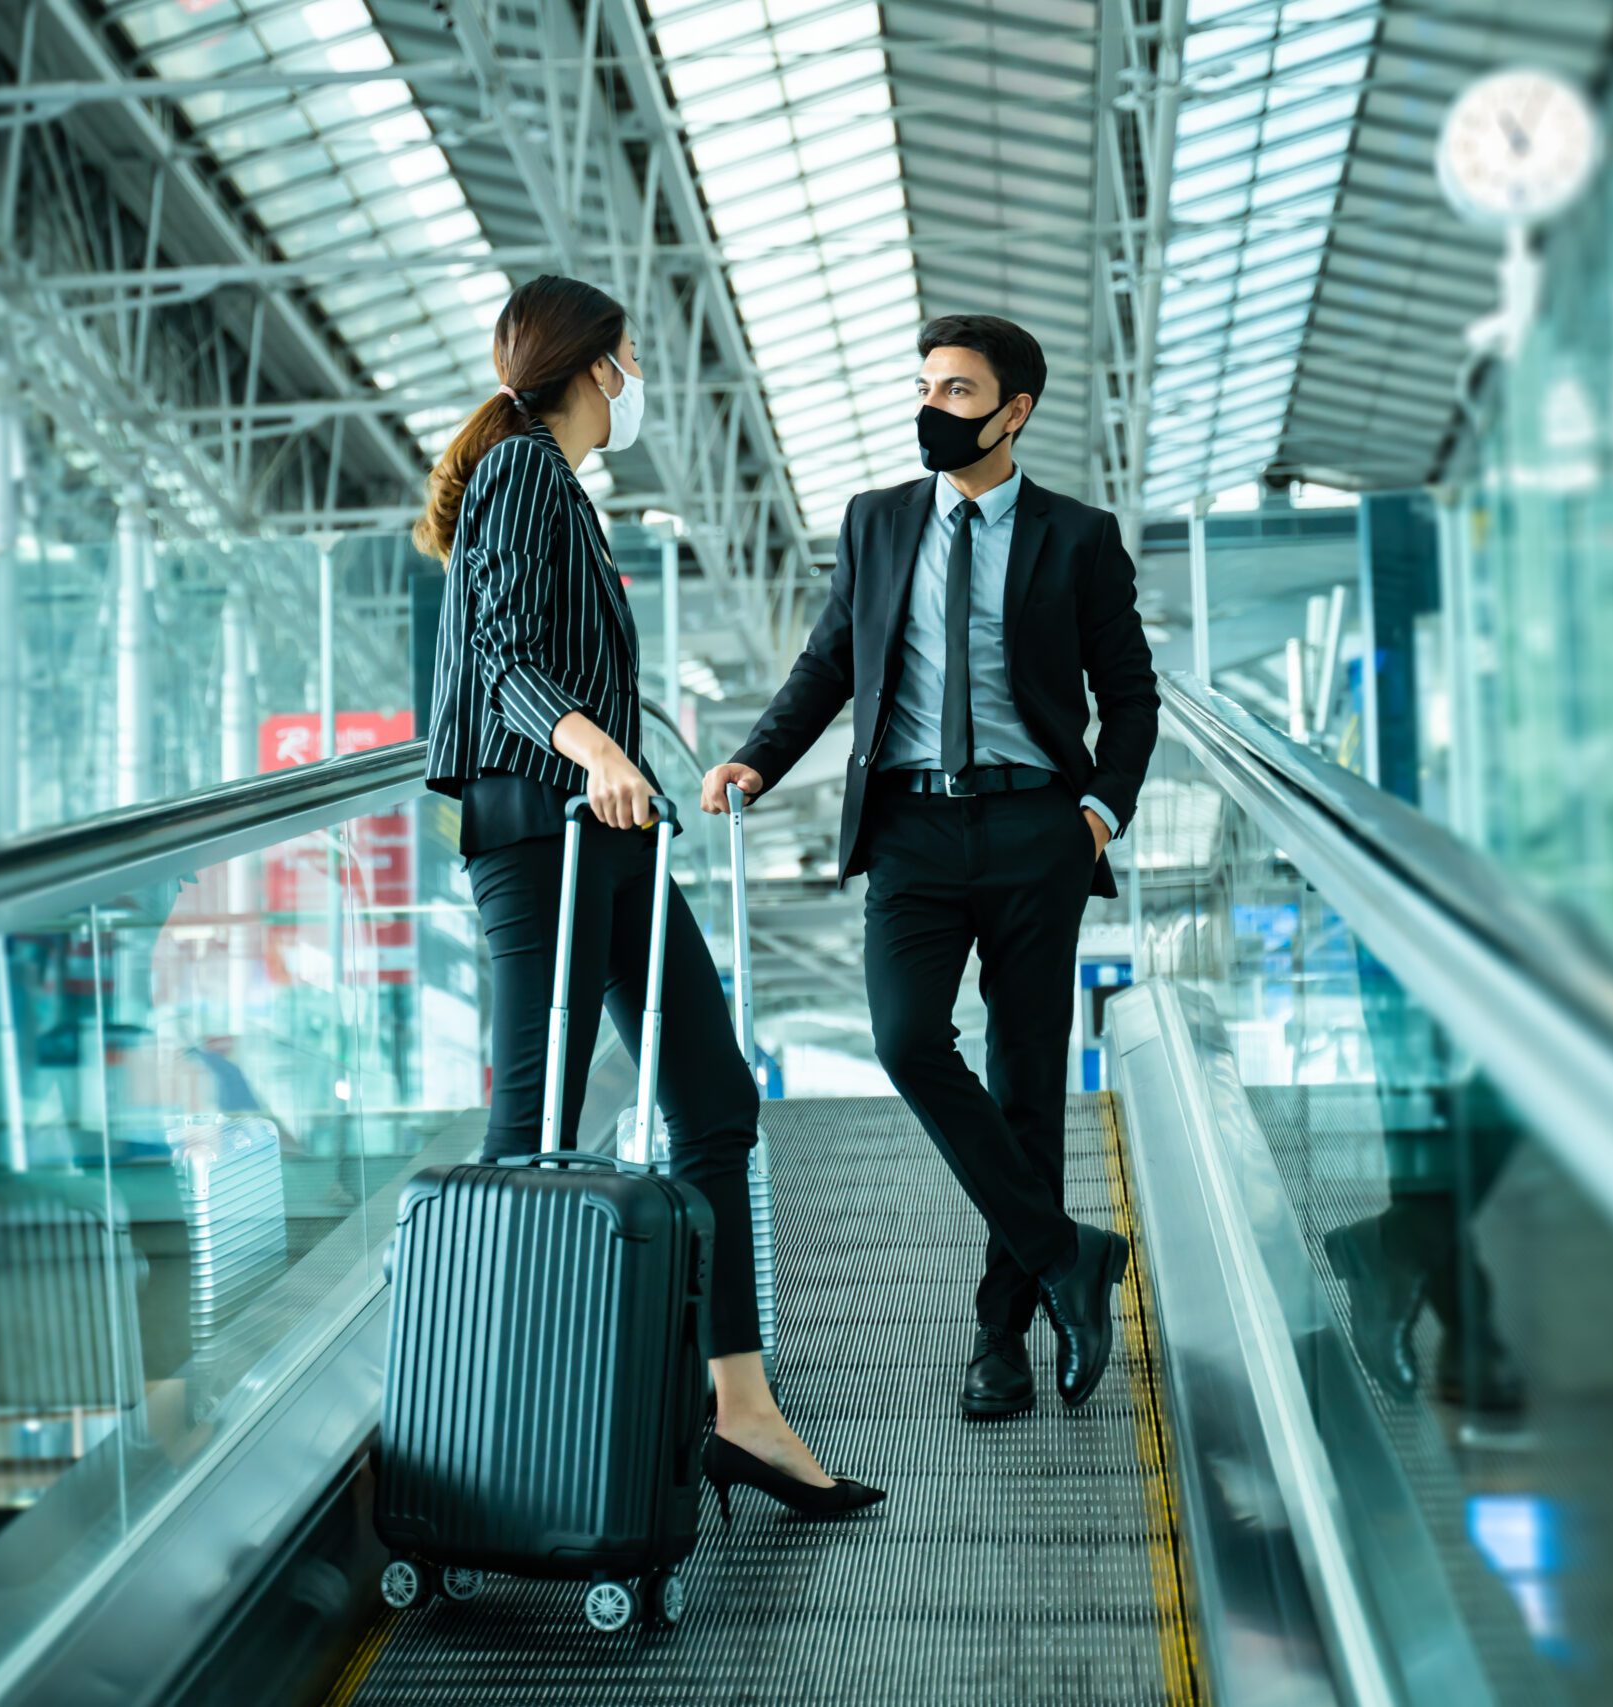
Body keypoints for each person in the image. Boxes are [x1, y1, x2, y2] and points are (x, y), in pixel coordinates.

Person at [420, 276, 882, 1519]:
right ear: (595, 366)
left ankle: (742, 1411)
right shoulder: (520, 472)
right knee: (532, 1125)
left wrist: (609, 769)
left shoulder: (555, 488)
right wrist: (599, 749)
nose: (635, 384)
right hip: (541, 835)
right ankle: (489, 1432)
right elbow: (505, 652)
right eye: (628, 360)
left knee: (713, 1101)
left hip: (601, 835)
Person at [702, 313, 1159, 1418]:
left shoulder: (1078, 537)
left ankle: (999, 1336)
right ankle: (1066, 1255)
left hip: (1034, 830)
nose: (932, 408)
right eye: (924, 386)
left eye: (957, 391)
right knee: (907, 1039)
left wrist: (1098, 811)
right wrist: (757, 761)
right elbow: (829, 663)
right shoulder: (875, 523)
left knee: (1025, 1080)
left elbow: (1130, 694)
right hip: (909, 826)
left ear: (1015, 411)